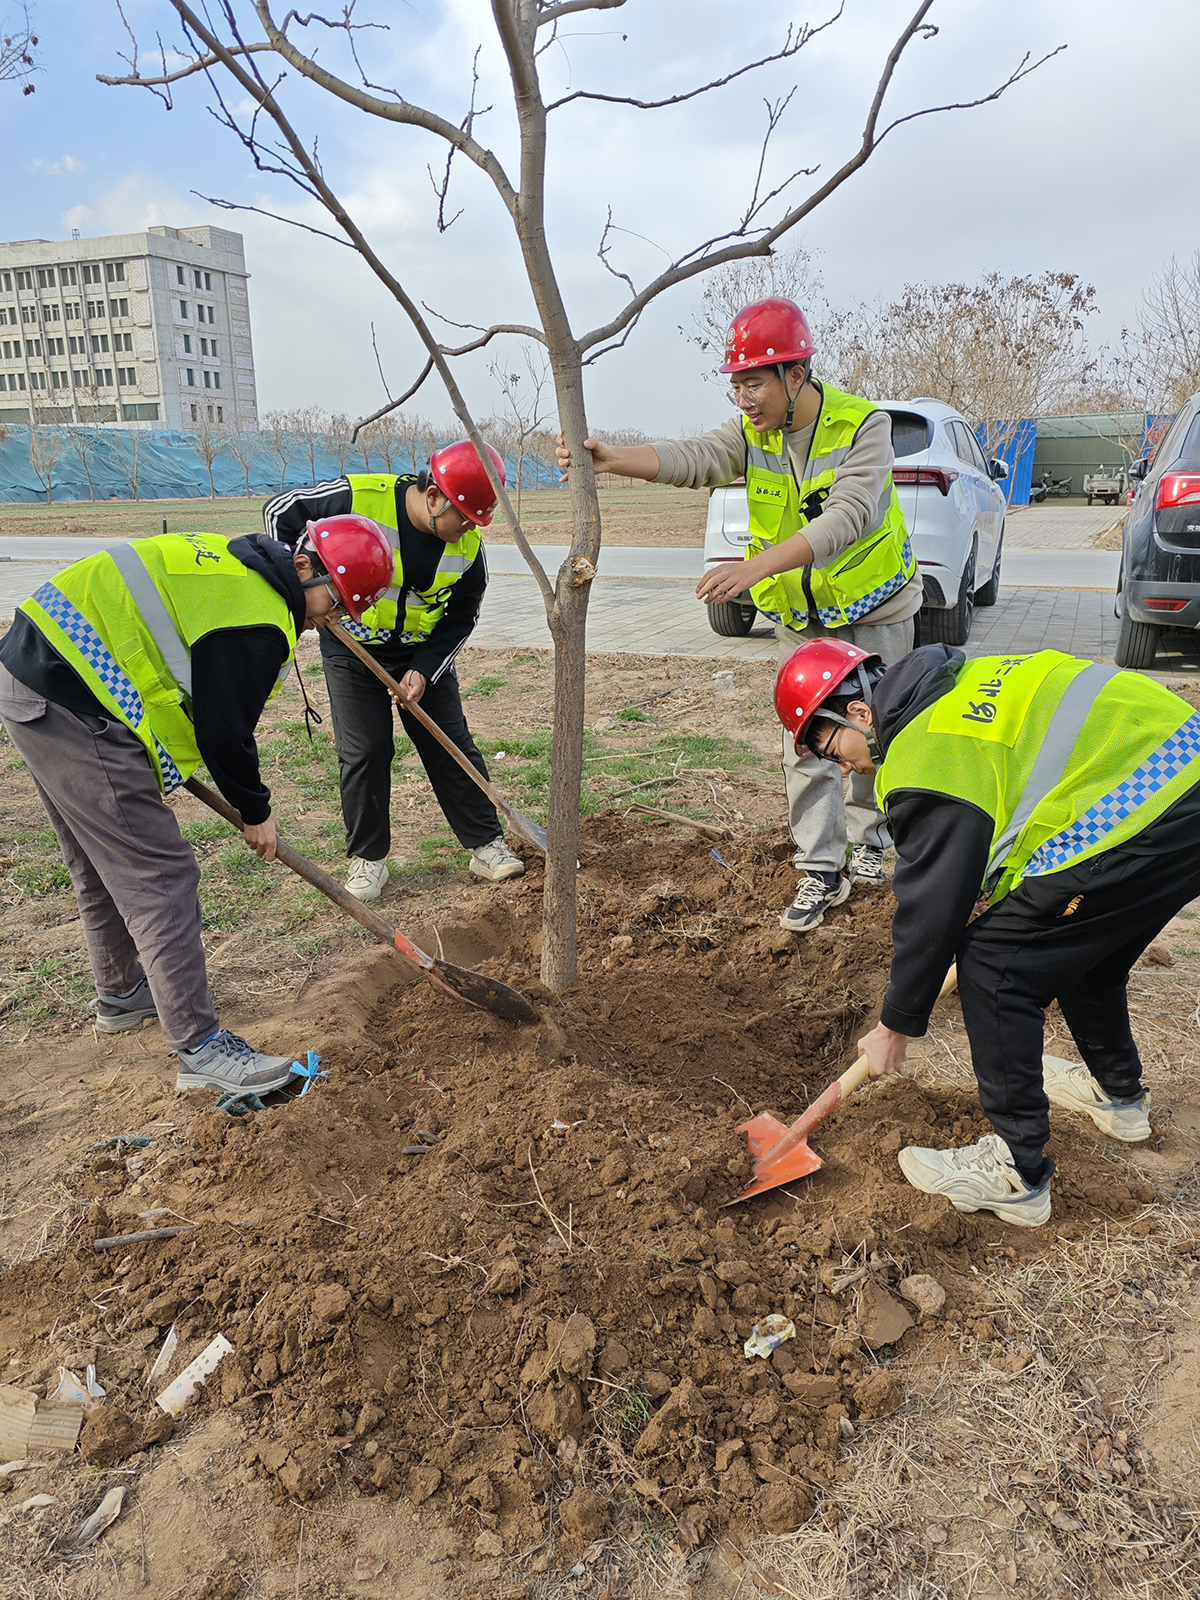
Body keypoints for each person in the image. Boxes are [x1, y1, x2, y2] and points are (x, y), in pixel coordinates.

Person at [776, 636, 1200, 1227]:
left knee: (995, 966)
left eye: (831, 748)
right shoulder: (948, 687)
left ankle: (1017, 1175)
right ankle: (1119, 1098)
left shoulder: (924, 757)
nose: (842, 768)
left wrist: (896, 1025)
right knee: (1080, 952)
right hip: (1179, 779)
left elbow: (933, 910)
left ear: (858, 712)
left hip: (1143, 809)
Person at [556, 296, 919, 932]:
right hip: (801, 620)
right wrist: (612, 459)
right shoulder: (752, 434)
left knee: (879, 728)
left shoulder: (864, 427)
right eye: (737, 385)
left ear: (795, 375)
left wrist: (754, 570)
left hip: (875, 606)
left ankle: (872, 837)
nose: (744, 399)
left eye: (755, 383)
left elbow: (848, 516)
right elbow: (694, 457)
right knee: (805, 739)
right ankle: (820, 867)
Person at [0, 520, 394, 1094]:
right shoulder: (259, 619)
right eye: (334, 604)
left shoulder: (242, 564)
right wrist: (255, 811)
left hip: (35, 671)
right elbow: (223, 732)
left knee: (101, 861)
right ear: (305, 566)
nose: (327, 621)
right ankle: (201, 1049)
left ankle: (123, 993)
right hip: (71, 695)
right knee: (160, 874)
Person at [263, 442, 524, 901]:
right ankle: (368, 859)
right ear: (434, 496)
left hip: (421, 650)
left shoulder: (468, 550)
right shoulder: (357, 497)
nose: (467, 529)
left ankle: (486, 844)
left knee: (449, 742)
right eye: (464, 517)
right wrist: (297, 583)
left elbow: (462, 618)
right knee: (365, 750)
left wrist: (424, 670)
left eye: (476, 521)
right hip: (352, 646)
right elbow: (279, 512)